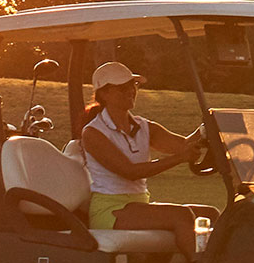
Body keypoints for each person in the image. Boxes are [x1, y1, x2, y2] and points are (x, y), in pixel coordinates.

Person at [75, 61, 204, 242]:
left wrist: (207, 128)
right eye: (122, 87)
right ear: (104, 94)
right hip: (110, 210)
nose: (130, 91)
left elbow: (184, 145)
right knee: (182, 216)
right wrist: (180, 159)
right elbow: (130, 172)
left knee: (210, 214)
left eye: (133, 85)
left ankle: (206, 259)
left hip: (138, 205)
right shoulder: (93, 133)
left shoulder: (144, 126)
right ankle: (199, 260)